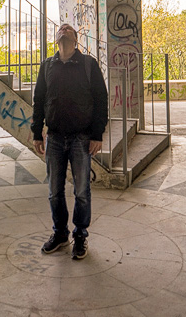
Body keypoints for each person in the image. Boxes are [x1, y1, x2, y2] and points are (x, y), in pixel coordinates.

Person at [31, 23, 108, 260]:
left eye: (69, 29)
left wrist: (97, 134)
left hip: (81, 137)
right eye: (61, 29)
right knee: (55, 191)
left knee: (82, 191)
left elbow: (101, 100)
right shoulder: (47, 66)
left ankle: (81, 235)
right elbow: (39, 100)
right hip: (54, 137)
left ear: (76, 40)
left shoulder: (88, 65)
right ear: (56, 39)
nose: (64, 29)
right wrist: (36, 132)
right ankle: (61, 234)